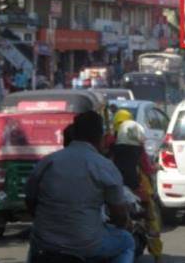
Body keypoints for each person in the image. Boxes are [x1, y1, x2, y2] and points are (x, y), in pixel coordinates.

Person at [25, 111, 134, 263]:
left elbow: (30, 202)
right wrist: (124, 223)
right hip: (87, 245)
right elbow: (119, 216)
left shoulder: (48, 162)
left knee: (35, 240)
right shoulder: (104, 166)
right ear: (100, 137)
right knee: (127, 241)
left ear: (74, 133)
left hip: (45, 244)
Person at [107, 111, 163, 261]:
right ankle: (157, 254)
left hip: (112, 188)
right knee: (151, 218)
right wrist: (154, 168)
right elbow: (146, 167)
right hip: (135, 189)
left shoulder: (109, 143)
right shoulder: (137, 146)